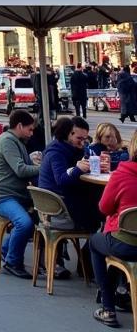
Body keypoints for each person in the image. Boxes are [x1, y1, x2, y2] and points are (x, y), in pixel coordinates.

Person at [90, 127, 137, 327]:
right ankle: (119, 291)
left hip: (126, 242)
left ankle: (108, 308)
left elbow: (104, 207)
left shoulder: (122, 174)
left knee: (96, 242)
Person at [0, 109, 42, 278]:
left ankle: (7, 249)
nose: (32, 133)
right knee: (25, 223)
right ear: (19, 126)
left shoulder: (13, 140)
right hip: (3, 196)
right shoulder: (8, 141)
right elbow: (20, 170)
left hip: (14, 194)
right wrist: (42, 168)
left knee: (40, 217)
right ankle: (12, 262)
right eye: (30, 129)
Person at [38, 116, 98, 259]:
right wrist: (79, 169)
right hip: (58, 210)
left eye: (86, 139)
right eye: (79, 138)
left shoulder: (72, 149)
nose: (83, 143)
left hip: (63, 201)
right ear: (68, 134)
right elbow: (62, 179)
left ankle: (86, 262)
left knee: (100, 209)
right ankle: (87, 261)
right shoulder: (56, 153)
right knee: (103, 217)